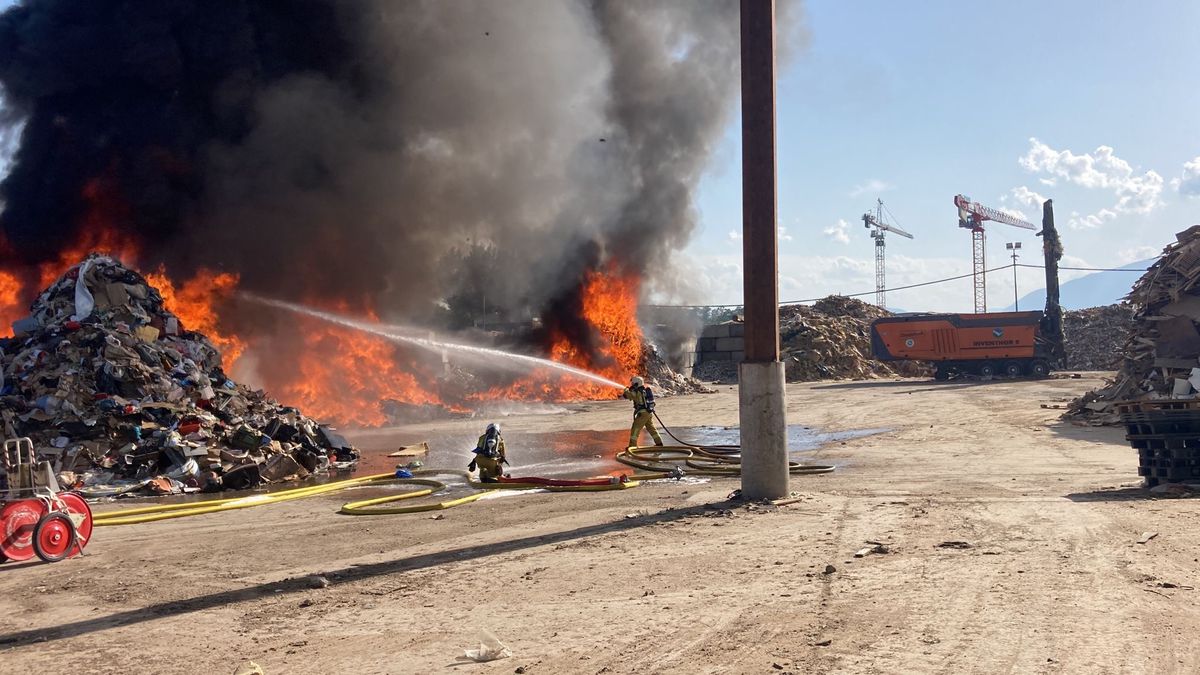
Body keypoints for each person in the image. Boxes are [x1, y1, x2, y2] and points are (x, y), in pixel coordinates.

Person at [622, 376, 663, 448]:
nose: (632, 384)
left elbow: (629, 395)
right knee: (651, 428)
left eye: (633, 383)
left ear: (636, 384)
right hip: (648, 413)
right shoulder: (644, 390)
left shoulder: (637, 392)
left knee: (635, 428)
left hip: (642, 414)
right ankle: (659, 443)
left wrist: (626, 390)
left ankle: (632, 446)